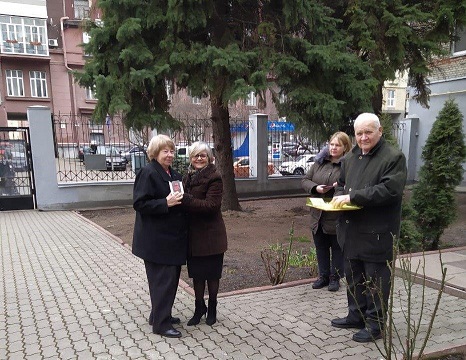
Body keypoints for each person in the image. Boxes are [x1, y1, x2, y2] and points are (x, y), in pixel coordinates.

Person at [330, 113, 407, 343]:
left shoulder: (393, 157)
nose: (363, 137)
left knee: (376, 283)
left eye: (368, 132)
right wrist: (337, 197)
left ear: (380, 131)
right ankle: (356, 315)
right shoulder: (351, 158)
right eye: (359, 133)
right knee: (354, 278)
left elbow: (390, 190)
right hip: (351, 231)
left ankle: (375, 325)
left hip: (377, 233)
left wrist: (352, 197)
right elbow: (341, 185)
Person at [132, 134, 187, 338]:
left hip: (171, 238)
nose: (170, 154)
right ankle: (161, 325)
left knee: (169, 280)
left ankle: (159, 314)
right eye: (165, 151)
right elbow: (140, 203)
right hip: (156, 240)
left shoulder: (174, 174)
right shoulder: (148, 173)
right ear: (155, 153)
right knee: (162, 281)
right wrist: (165, 203)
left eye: (172, 151)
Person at [182, 141, 227, 326]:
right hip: (193, 235)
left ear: (209, 158)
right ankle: (199, 307)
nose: (199, 158)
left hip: (211, 235)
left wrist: (187, 200)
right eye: (195, 155)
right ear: (191, 158)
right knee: (197, 275)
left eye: (202, 155)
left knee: (212, 274)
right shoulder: (187, 177)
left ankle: (213, 307)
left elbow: (211, 205)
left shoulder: (214, 177)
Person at [302, 132, 352, 291]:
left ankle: (335, 278)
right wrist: (315, 188)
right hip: (318, 214)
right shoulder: (319, 162)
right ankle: (322, 276)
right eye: (331, 144)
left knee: (337, 248)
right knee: (320, 247)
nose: (334, 148)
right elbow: (305, 180)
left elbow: (353, 185)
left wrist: (341, 185)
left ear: (345, 147)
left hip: (336, 214)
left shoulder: (348, 165)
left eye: (338, 145)